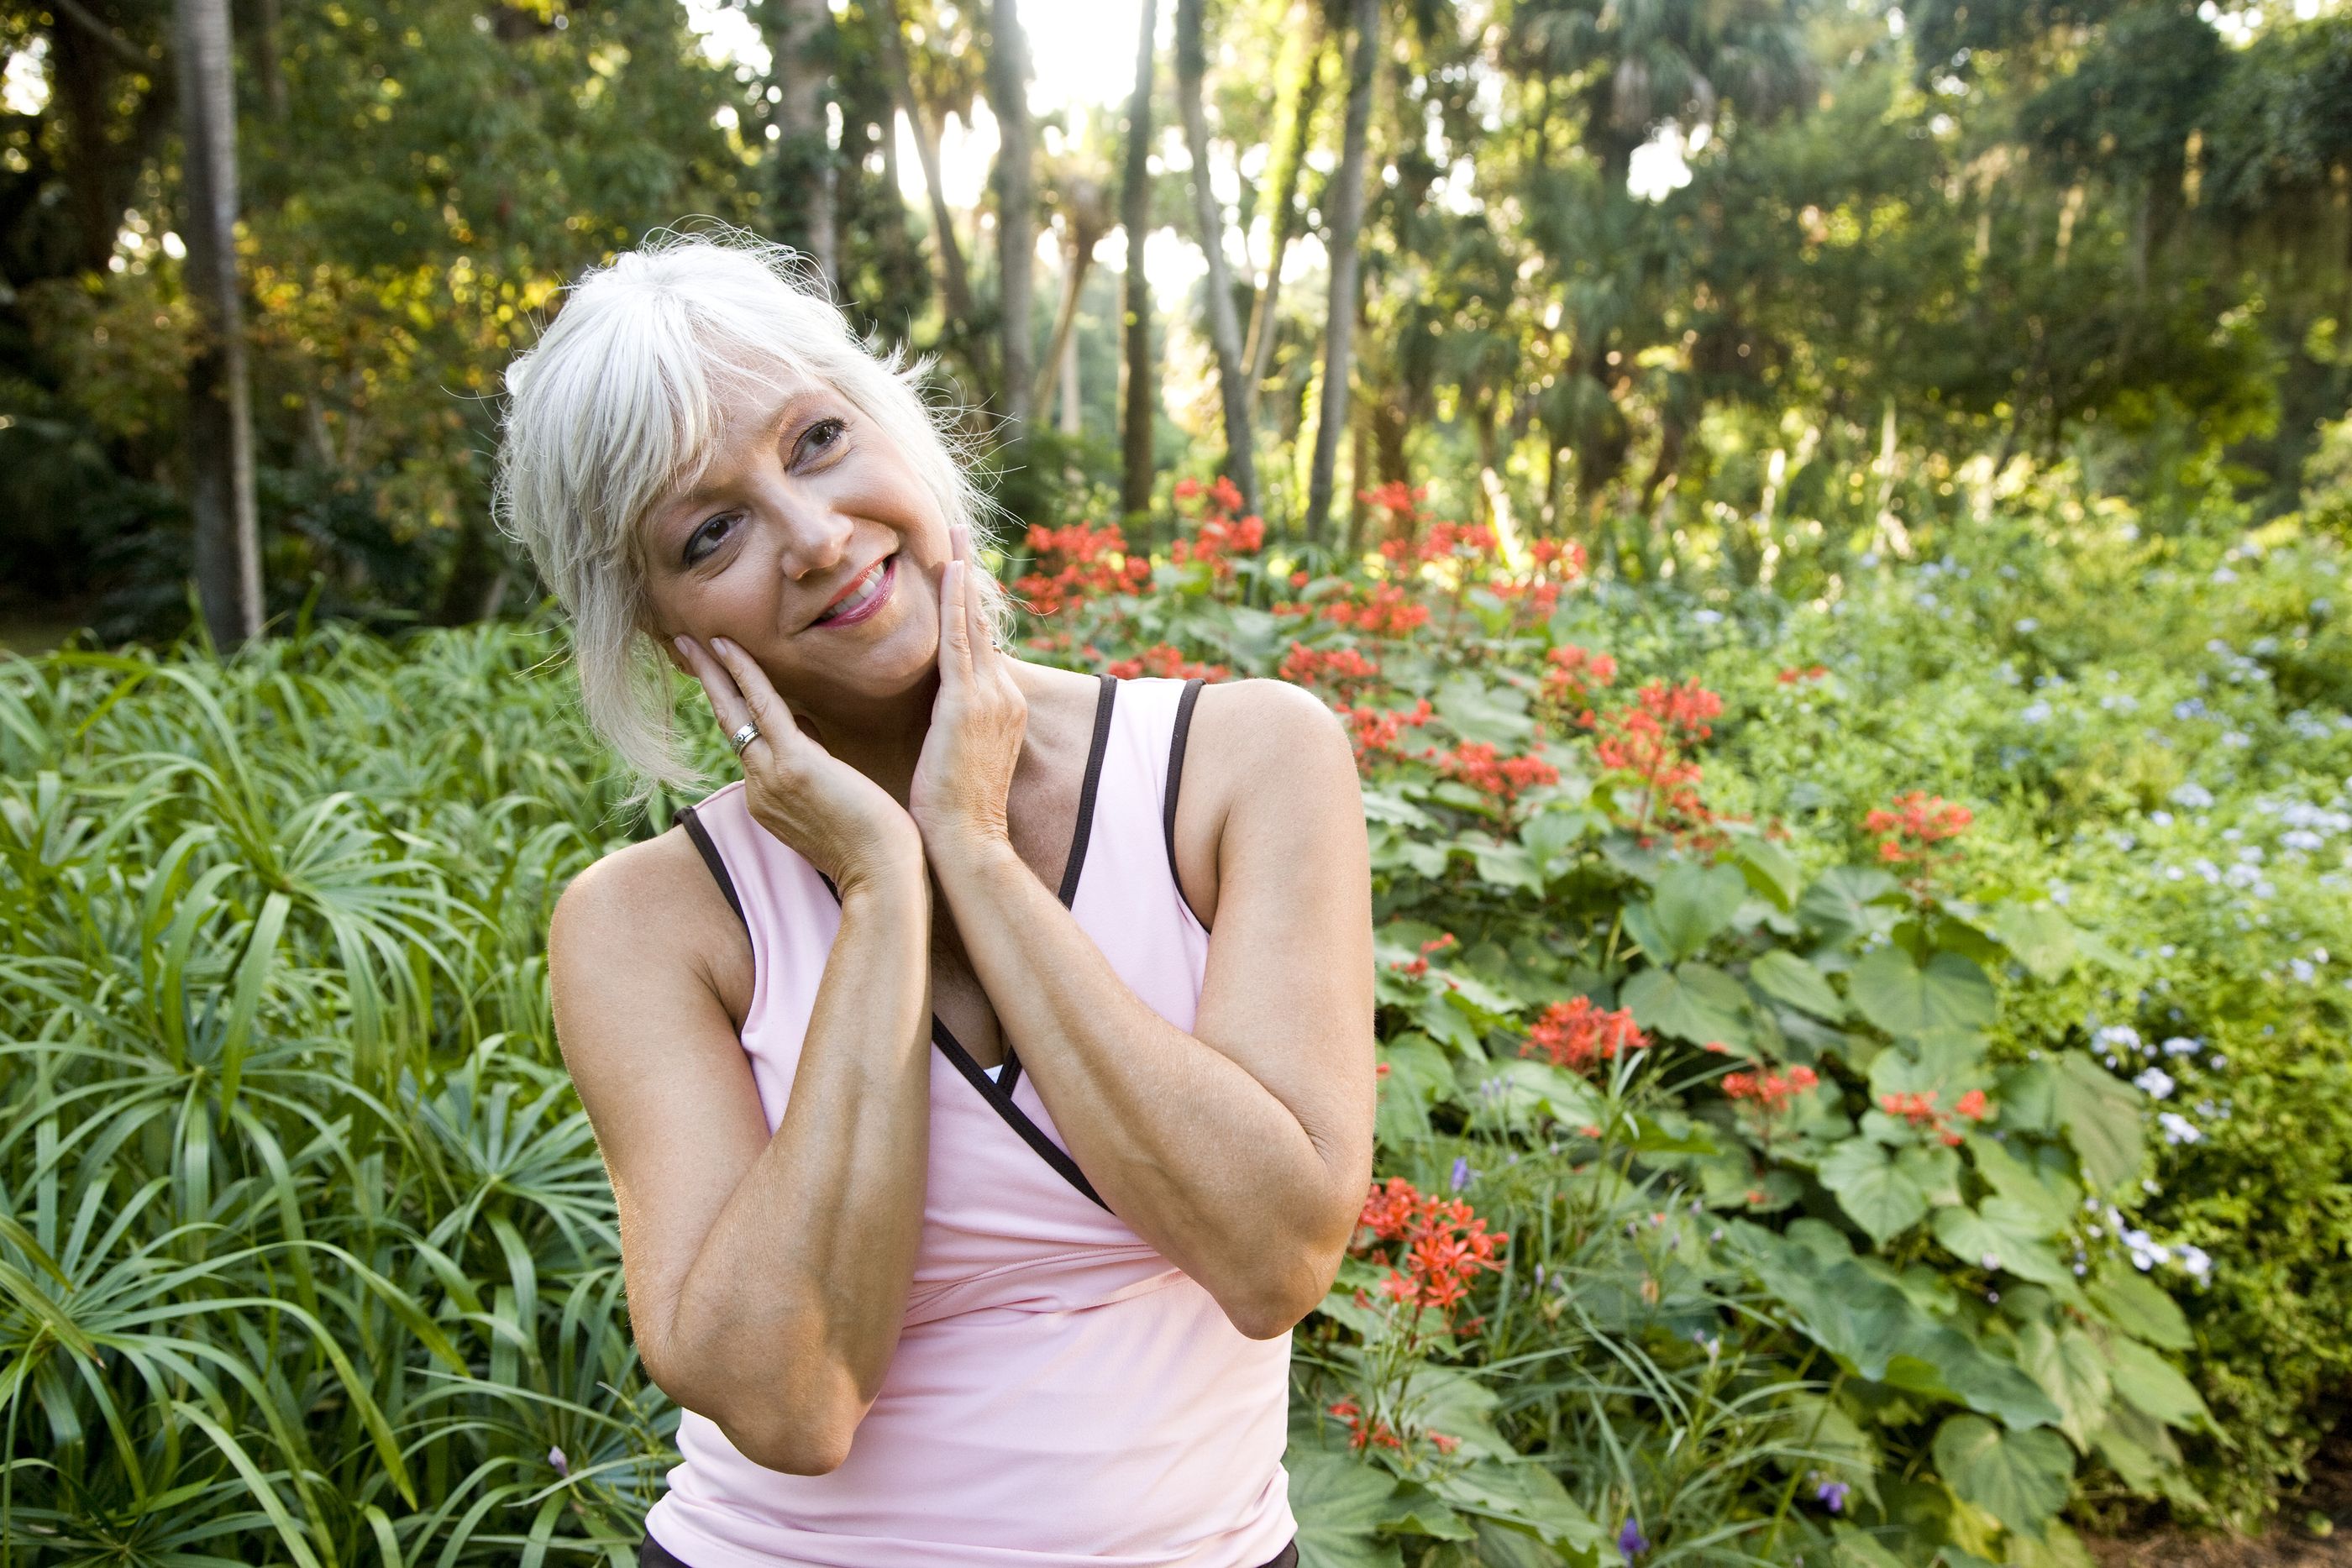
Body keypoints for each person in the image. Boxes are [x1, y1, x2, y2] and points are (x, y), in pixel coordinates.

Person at [491, 228, 1377, 1568]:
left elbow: (1273, 1256)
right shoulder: (643, 927)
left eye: (817, 440)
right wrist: (880, 890)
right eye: (711, 530)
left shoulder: (1248, 762)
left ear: (901, 432)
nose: (813, 537)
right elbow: (792, 1402)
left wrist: (968, 843)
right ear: (661, 631)